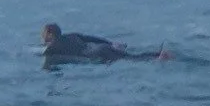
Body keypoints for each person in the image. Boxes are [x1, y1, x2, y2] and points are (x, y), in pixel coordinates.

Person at [40, 23, 170, 69]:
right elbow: (91, 38)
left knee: (130, 60)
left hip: (96, 55)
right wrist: (110, 43)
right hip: (102, 47)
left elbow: (44, 56)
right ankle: (157, 54)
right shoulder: (72, 35)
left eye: (44, 33)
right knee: (131, 56)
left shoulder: (52, 49)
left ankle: (158, 57)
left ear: (50, 34)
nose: (42, 36)